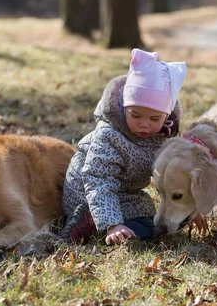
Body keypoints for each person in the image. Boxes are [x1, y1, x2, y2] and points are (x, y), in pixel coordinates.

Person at [59, 48, 188, 245]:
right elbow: (97, 180)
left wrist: (192, 209)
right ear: (124, 107)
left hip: (126, 193)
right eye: (136, 115)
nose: (144, 124)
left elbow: (175, 171)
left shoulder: (162, 135)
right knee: (141, 231)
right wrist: (112, 224)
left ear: (167, 116)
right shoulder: (109, 135)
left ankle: (110, 225)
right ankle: (89, 224)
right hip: (86, 194)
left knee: (154, 224)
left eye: (154, 118)